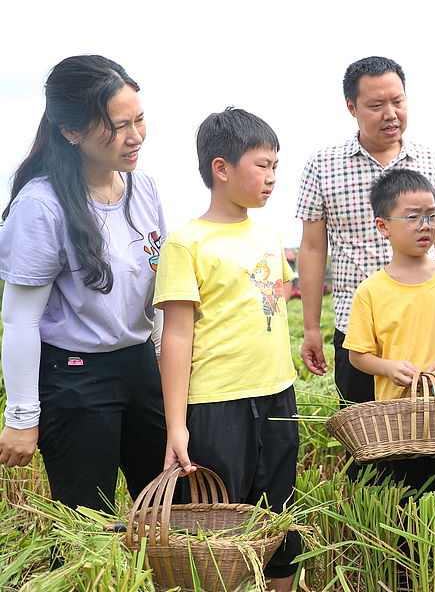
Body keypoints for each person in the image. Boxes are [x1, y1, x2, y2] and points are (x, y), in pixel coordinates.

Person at [0, 55, 166, 513]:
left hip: (139, 369)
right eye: (118, 126)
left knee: (167, 512)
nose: (135, 137)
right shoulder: (42, 205)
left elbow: (161, 295)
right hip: (76, 377)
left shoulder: (144, 188)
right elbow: (18, 320)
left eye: (140, 119)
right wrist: (21, 417)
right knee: (86, 524)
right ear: (72, 131)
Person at [156, 108, 300, 591]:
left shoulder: (269, 234)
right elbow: (175, 335)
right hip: (218, 404)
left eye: (276, 166)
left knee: (280, 520)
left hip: (279, 395)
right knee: (219, 531)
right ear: (222, 168)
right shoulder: (186, 242)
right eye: (262, 165)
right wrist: (177, 425)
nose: (272, 177)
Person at [344, 167, 435, 585]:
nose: (426, 225)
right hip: (398, 426)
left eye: (432, 215)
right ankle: (412, 579)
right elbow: (358, 355)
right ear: (382, 226)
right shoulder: (372, 290)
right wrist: (388, 367)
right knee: (405, 512)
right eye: (413, 216)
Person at [295, 56, 435, 409]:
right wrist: (311, 328)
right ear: (352, 107)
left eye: (398, 101)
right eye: (376, 105)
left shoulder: (429, 162)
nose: (391, 113)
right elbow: (311, 249)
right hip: (358, 332)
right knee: (367, 445)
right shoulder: (323, 165)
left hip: (426, 324)